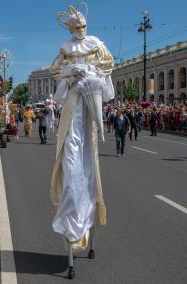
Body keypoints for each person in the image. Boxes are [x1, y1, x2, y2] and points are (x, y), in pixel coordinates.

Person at [49, 4, 115, 261]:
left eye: (84, 27)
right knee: (72, 155)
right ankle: (73, 204)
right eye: (77, 28)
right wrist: (70, 73)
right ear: (70, 29)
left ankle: (86, 213)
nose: (82, 31)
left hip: (91, 99)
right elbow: (55, 70)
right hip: (73, 104)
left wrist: (91, 71)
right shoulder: (65, 48)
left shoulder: (97, 43)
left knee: (89, 153)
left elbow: (108, 64)